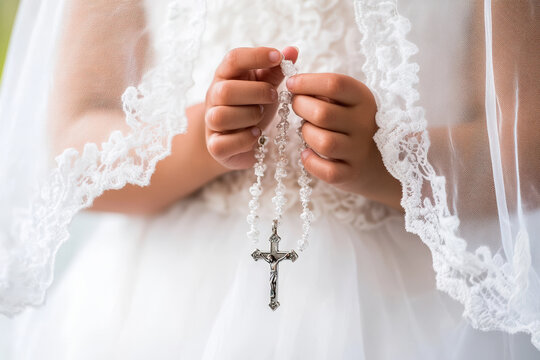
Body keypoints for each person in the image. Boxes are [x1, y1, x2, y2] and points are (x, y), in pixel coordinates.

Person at [1, 0, 539, 359]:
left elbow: (526, 154)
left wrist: (395, 160)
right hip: (162, 310)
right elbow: (72, 148)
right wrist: (198, 140)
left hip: (418, 312)